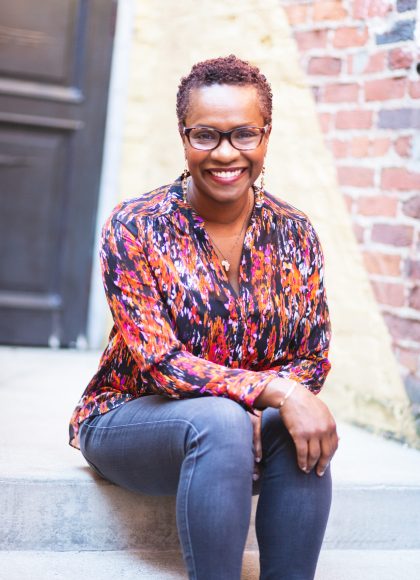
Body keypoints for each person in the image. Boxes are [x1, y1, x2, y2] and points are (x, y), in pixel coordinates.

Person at [69, 55, 338, 580]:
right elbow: (163, 364)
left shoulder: (295, 233)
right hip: (130, 419)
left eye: (244, 134)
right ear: (183, 135)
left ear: (265, 135)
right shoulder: (136, 226)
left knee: (299, 427)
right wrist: (271, 393)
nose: (225, 153)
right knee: (222, 419)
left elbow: (311, 356)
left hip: (241, 435)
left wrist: (275, 405)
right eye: (206, 135)